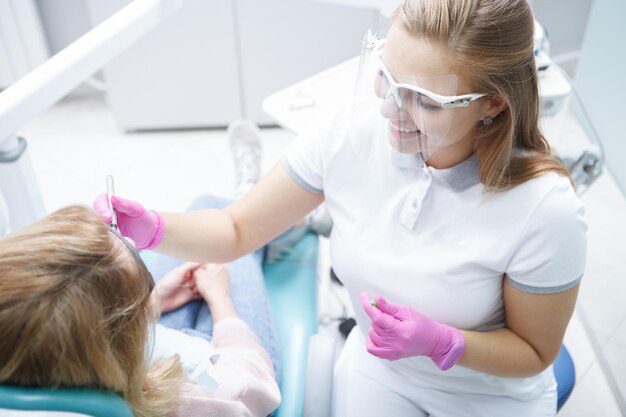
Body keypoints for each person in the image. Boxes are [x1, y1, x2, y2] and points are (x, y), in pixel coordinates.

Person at [93, 1, 587, 415]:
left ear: (493, 104)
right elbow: (236, 227)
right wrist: (154, 228)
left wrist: (444, 343)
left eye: (424, 101)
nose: (388, 111)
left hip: (490, 395)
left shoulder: (543, 209)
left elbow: (535, 351)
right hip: (383, 373)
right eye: (386, 78)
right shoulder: (345, 136)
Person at [0, 205, 281, 417]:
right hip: (224, 364)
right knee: (229, 248)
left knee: (203, 212)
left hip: (149, 346)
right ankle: (271, 211)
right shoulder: (182, 405)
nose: (133, 243)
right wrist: (221, 299)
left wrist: (150, 302)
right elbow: (252, 381)